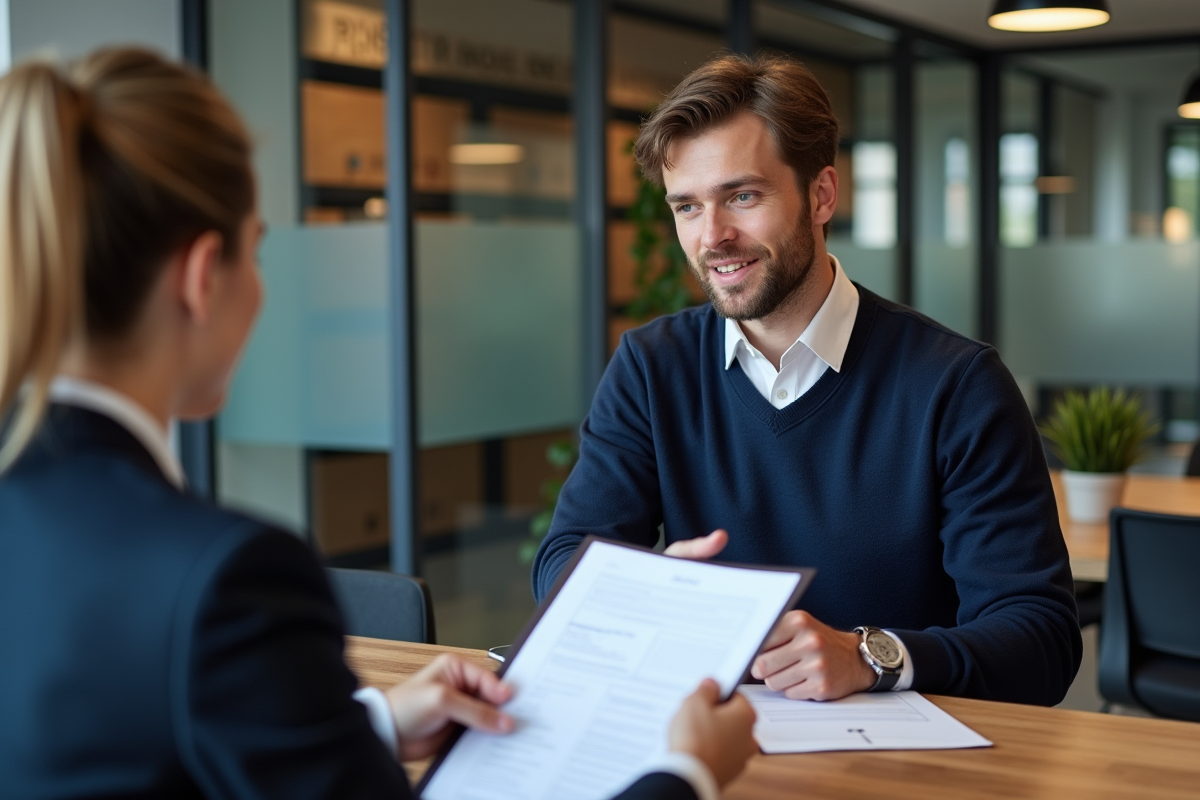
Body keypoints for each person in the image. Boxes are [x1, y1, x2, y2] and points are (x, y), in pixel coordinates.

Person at [0, 49, 758, 800]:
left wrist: (367, 725)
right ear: (203, 277)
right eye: (258, 254)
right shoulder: (227, 576)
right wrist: (684, 775)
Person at [532, 53, 1082, 706]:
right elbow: (562, 559)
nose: (713, 237)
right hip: (717, 749)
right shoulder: (653, 367)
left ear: (821, 194)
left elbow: (1042, 641)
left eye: (742, 195)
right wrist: (636, 589)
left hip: (904, 763)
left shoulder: (957, 385)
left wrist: (871, 656)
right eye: (687, 207)